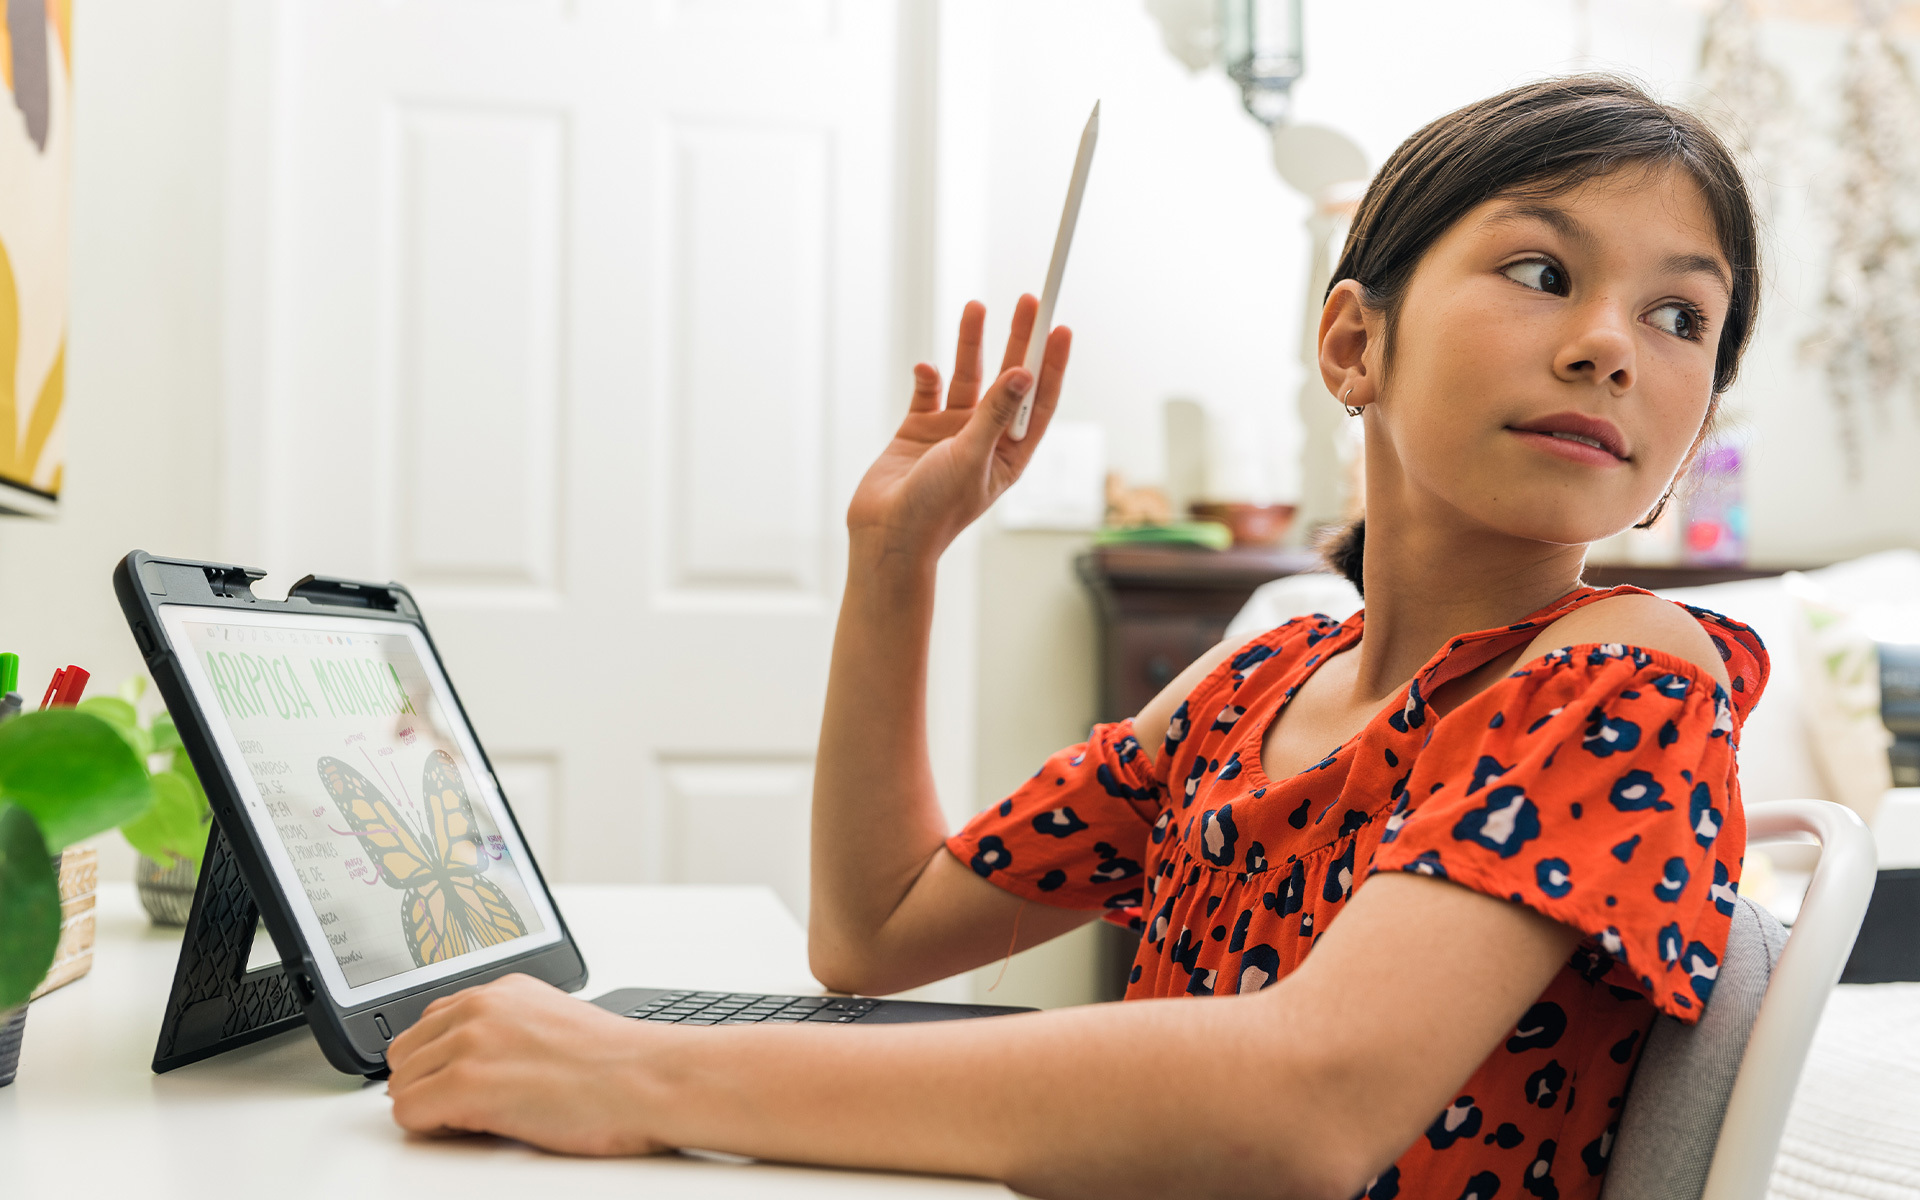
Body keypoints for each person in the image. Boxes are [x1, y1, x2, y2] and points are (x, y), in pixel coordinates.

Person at [385, 75, 1767, 1200]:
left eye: (1678, 315)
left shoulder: (1627, 675)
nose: (1610, 346)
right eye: (1541, 268)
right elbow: (873, 934)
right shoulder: (1255, 686)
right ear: (1354, 343)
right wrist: (896, 563)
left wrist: (636, 1078)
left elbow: (1305, 1103)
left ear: (1690, 427)